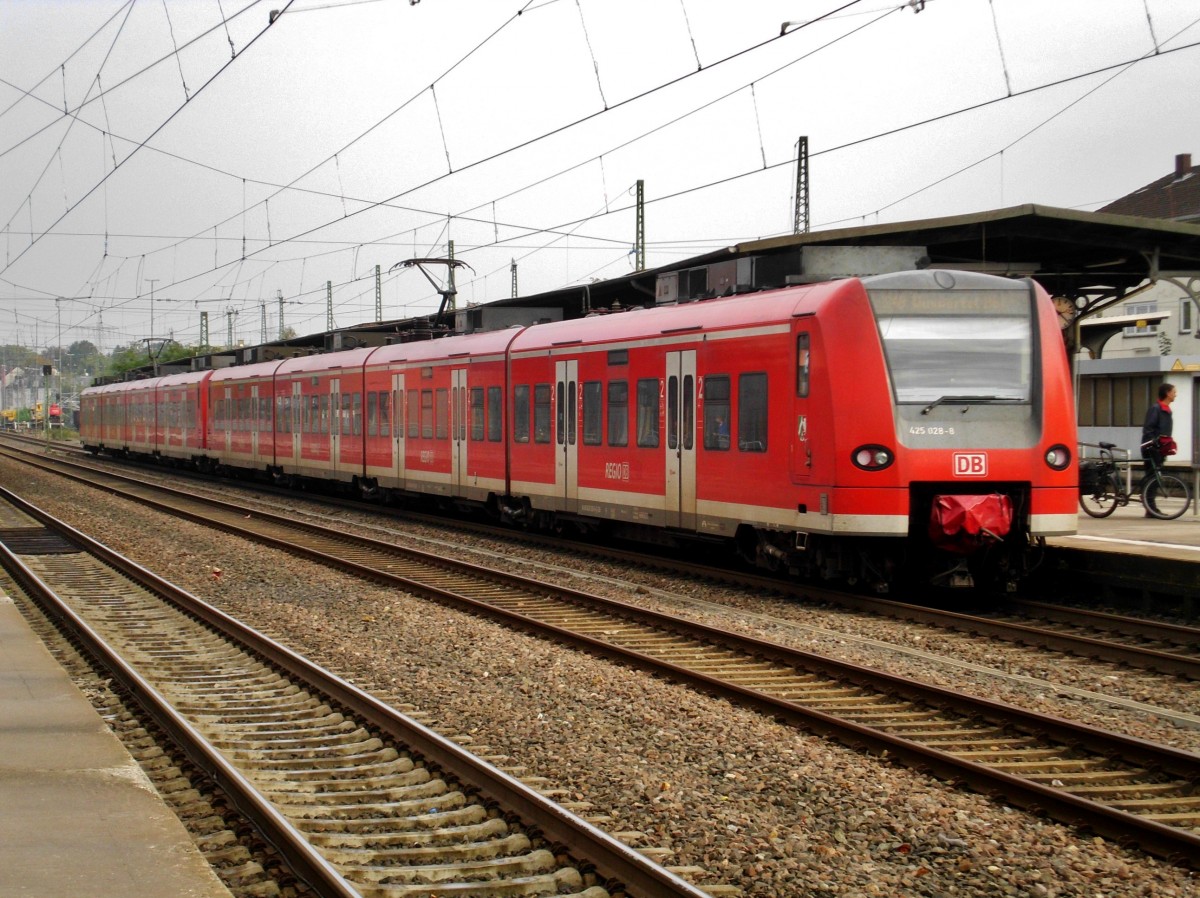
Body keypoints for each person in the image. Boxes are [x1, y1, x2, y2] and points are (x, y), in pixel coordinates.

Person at [1140, 382, 1176, 516]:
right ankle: (1150, 508)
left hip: (1161, 448)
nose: (1175, 394)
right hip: (1151, 447)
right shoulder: (1156, 409)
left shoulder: (1166, 410)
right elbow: (1148, 429)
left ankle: (1149, 506)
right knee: (1152, 477)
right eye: (1174, 392)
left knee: (1154, 477)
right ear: (1167, 393)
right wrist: (1153, 443)